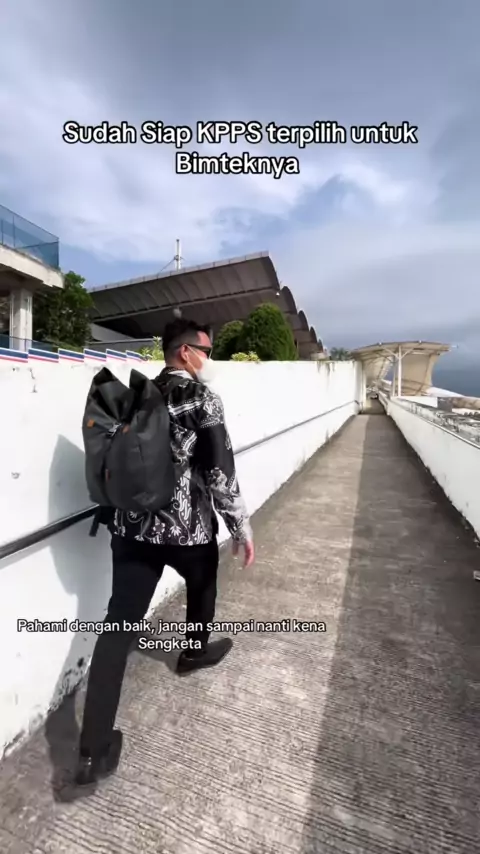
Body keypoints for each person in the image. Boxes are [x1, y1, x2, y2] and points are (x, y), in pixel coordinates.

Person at [74, 318, 254, 788]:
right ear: (186, 352)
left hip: (132, 530)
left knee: (117, 628)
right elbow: (220, 473)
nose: (210, 357)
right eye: (207, 350)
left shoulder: (138, 395)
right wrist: (240, 526)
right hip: (187, 531)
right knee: (203, 583)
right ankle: (193, 652)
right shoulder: (201, 398)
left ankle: (92, 750)